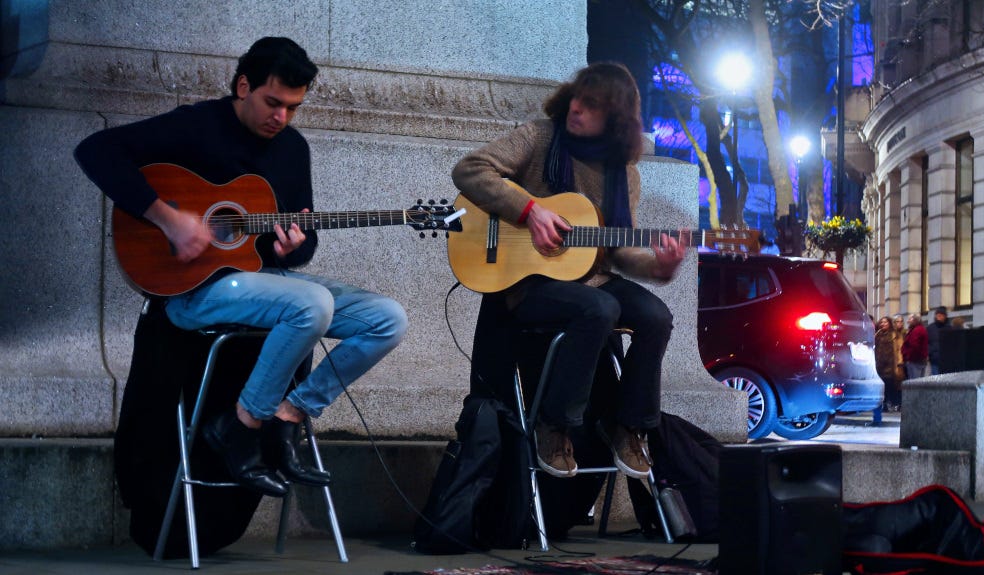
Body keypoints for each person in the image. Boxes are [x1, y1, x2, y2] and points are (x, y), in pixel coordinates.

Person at [74, 37, 408, 497]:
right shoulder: (196, 125)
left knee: (387, 318)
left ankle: (288, 415)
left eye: (293, 108)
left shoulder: (292, 149)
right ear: (244, 86)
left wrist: (293, 248)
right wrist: (168, 220)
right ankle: (243, 425)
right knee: (311, 303)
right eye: (273, 103)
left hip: (260, 284)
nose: (282, 117)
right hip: (191, 292)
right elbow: (95, 150)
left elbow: (300, 243)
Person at [451, 62, 685, 480]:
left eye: (591, 105)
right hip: (527, 283)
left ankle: (628, 426)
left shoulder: (624, 173)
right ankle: (553, 425)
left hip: (591, 277)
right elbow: (469, 170)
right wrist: (530, 211)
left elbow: (618, 252)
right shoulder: (540, 137)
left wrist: (660, 266)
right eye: (576, 97)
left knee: (656, 316)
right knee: (598, 308)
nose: (576, 108)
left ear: (614, 119)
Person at [870, 317, 898, 426]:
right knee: (878, 392)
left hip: (891, 366)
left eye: (885, 322)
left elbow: (898, 350)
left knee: (889, 388)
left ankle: (888, 405)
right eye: (882, 322)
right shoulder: (877, 335)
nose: (883, 324)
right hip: (878, 366)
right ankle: (877, 417)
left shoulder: (894, 335)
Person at [901, 313, 929, 380]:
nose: (908, 321)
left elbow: (914, 346)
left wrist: (907, 356)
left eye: (910, 319)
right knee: (919, 381)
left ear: (915, 320)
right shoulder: (921, 329)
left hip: (915, 361)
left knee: (914, 382)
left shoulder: (916, 330)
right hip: (919, 360)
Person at [927, 306, 950, 374]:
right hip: (934, 359)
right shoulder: (930, 328)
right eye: (937, 315)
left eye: (941, 315)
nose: (939, 316)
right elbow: (926, 342)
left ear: (945, 316)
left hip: (946, 360)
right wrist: (930, 352)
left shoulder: (949, 328)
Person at [890, 314, 906, 410]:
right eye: (897, 322)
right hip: (894, 361)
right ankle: (894, 402)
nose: (899, 323)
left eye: (901, 321)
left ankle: (900, 403)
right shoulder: (892, 334)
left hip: (903, 361)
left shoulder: (905, 333)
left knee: (901, 384)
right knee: (894, 383)